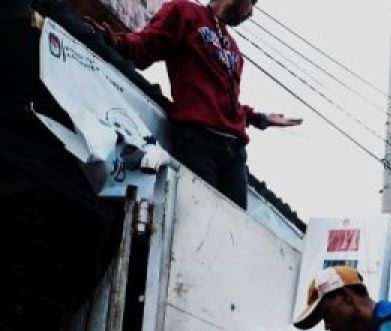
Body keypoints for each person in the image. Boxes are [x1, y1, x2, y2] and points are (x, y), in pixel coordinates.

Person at [90, 0, 301, 209]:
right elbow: (148, 44)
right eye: (252, 4)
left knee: (231, 229)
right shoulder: (185, 12)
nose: (251, 13)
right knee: (198, 216)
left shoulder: (234, 50)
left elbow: (227, 105)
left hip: (235, 154)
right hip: (199, 142)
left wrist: (260, 118)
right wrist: (118, 42)